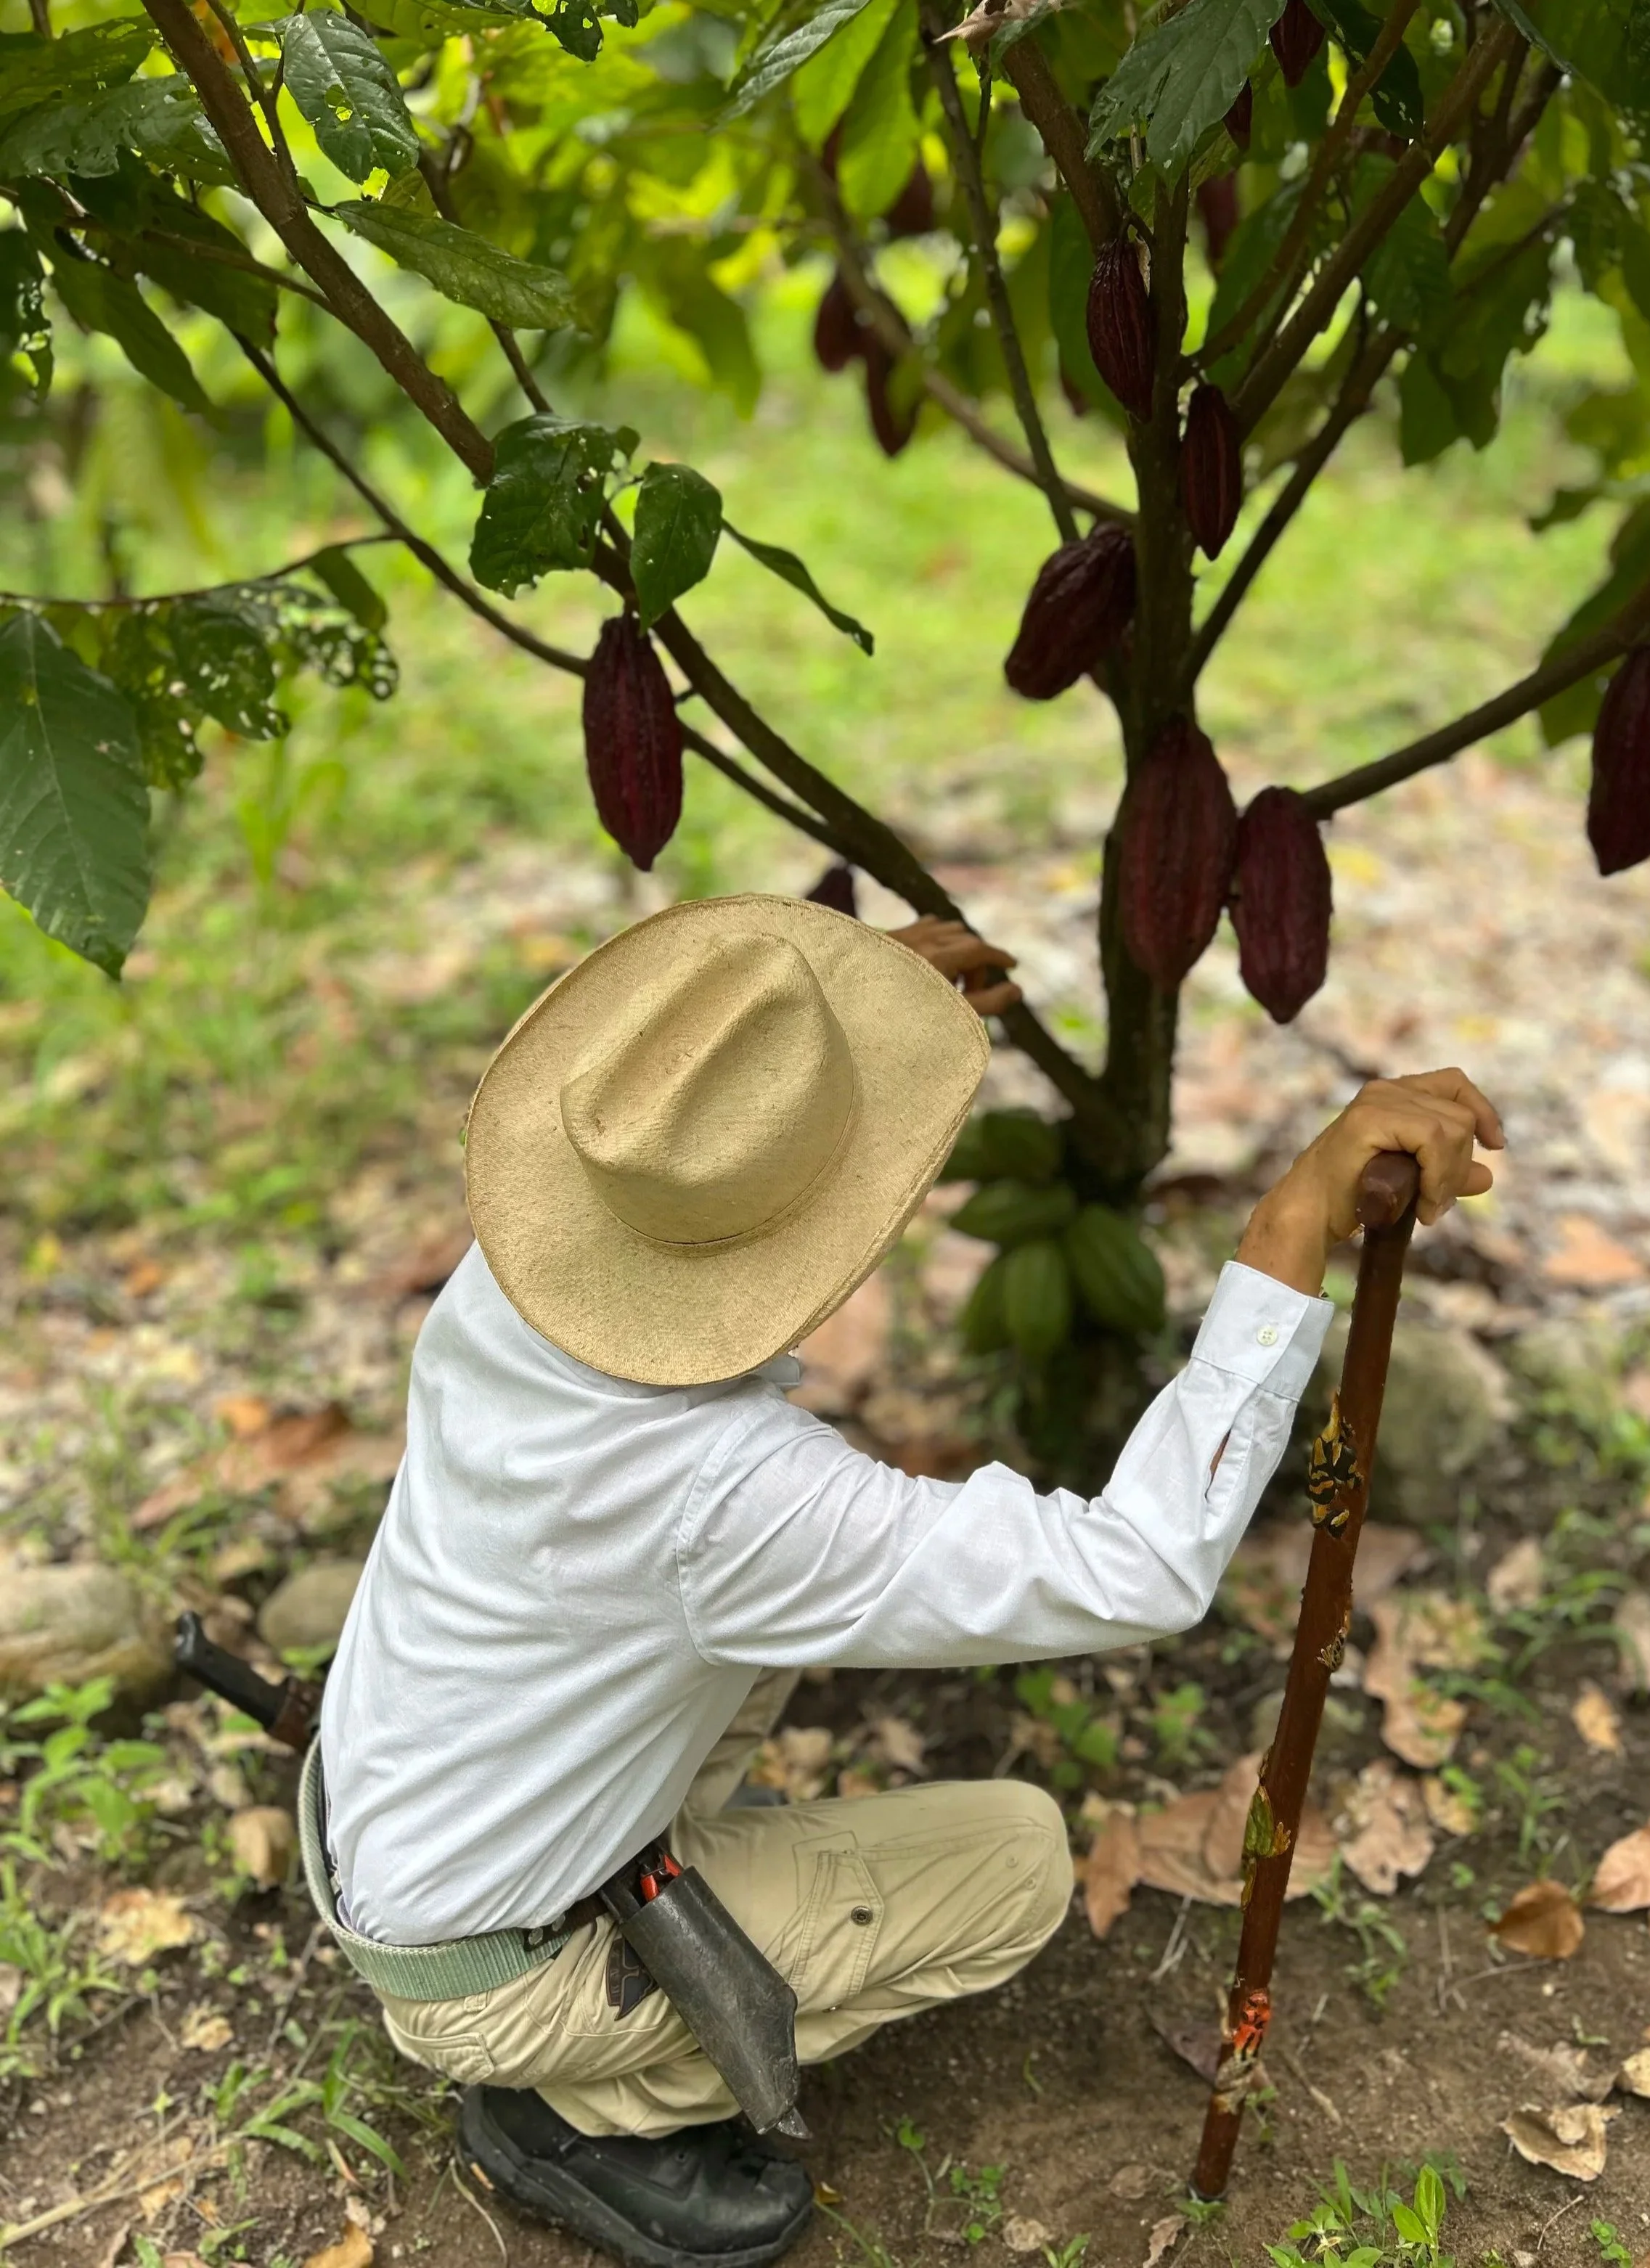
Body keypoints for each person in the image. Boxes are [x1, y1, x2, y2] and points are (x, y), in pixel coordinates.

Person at [316, 893, 1501, 2268]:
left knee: (736, 1649)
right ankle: (577, 2108)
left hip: (391, 1807)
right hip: (489, 1961)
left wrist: (851, 1019)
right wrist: (1294, 1217)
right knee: (1013, 1862)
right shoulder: (724, 1497)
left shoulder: (520, 1277)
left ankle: (612, 1952)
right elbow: (1138, 1567)